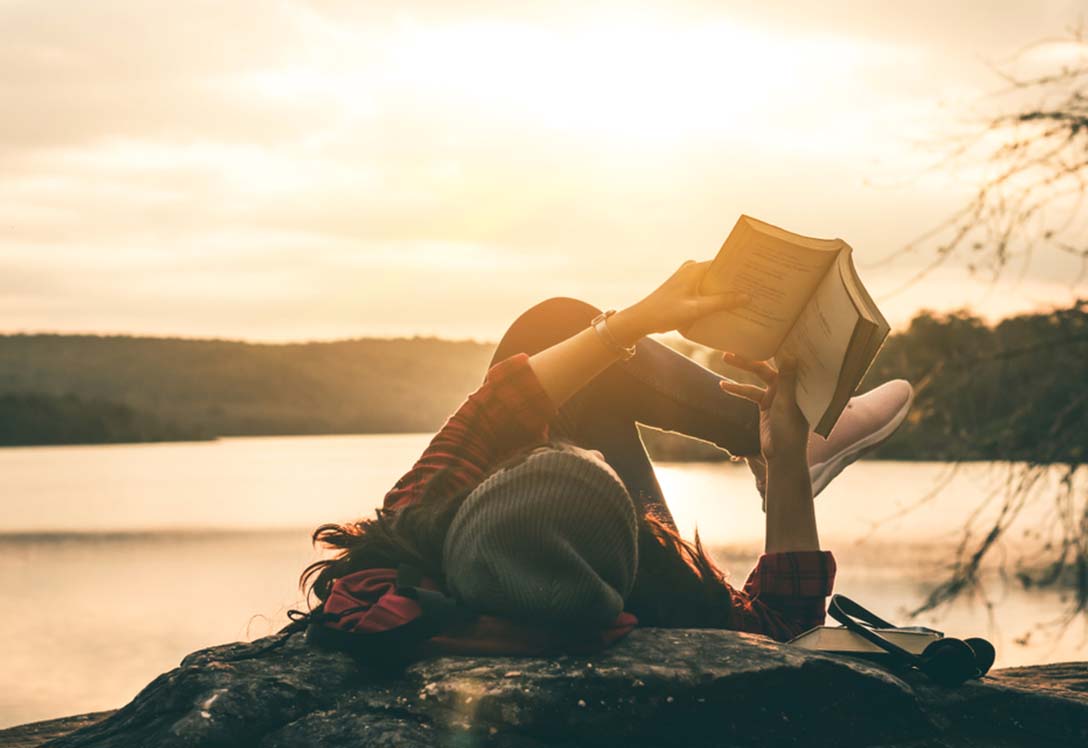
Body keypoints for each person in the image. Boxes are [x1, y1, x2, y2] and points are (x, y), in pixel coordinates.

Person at [299, 261, 913, 649]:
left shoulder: (409, 534)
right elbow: (788, 626)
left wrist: (638, 320)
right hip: (627, 570)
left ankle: (769, 437)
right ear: (638, 540)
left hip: (514, 564)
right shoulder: (671, 593)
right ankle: (787, 445)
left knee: (554, 326)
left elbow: (502, 401)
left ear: (471, 506)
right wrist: (783, 463)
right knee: (559, 331)